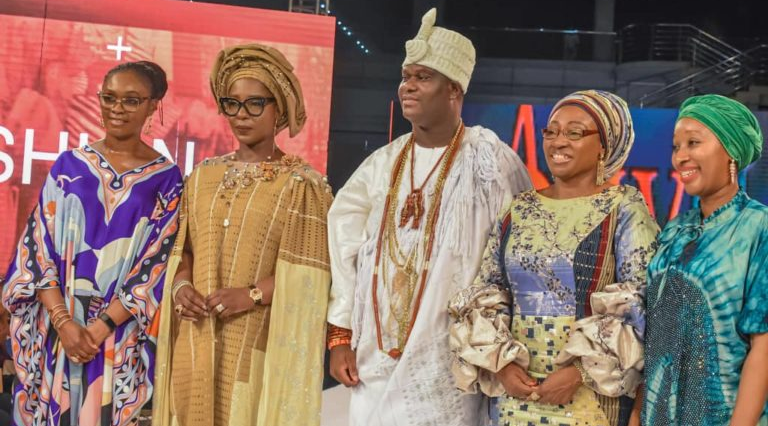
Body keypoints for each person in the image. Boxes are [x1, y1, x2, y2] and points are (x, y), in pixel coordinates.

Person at [326, 8, 532, 425]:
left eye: (423, 77)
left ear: (454, 90)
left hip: (451, 359)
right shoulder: (382, 164)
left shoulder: (491, 160)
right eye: (405, 76)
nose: (408, 86)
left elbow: (519, 256)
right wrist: (339, 334)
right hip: (374, 357)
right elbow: (343, 245)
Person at [449, 90, 659, 426]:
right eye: (551, 131)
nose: (558, 142)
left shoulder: (624, 209)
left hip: (591, 398)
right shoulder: (518, 209)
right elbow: (487, 292)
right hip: (515, 401)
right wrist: (502, 364)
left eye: (574, 133)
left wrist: (578, 372)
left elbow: (642, 302)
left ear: (605, 146)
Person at [151, 43, 333, 426]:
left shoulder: (302, 184)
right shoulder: (201, 176)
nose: (241, 115)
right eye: (231, 103)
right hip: (195, 340)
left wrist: (249, 296)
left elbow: (311, 277)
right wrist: (181, 288)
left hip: (256, 341)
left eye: (255, 103)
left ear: (279, 108)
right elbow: (183, 250)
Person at [2, 61, 182, 425]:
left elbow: (156, 265)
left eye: (131, 100)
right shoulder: (69, 164)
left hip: (118, 335)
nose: (117, 108)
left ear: (153, 105)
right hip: (57, 330)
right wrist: (64, 322)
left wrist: (99, 329)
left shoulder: (166, 179)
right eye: (109, 98)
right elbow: (38, 247)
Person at [643, 94, 768, 425]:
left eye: (693, 143)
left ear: (731, 152)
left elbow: (764, 348)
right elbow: (655, 336)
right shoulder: (675, 230)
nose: (680, 157)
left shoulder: (759, 227)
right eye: (676, 146)